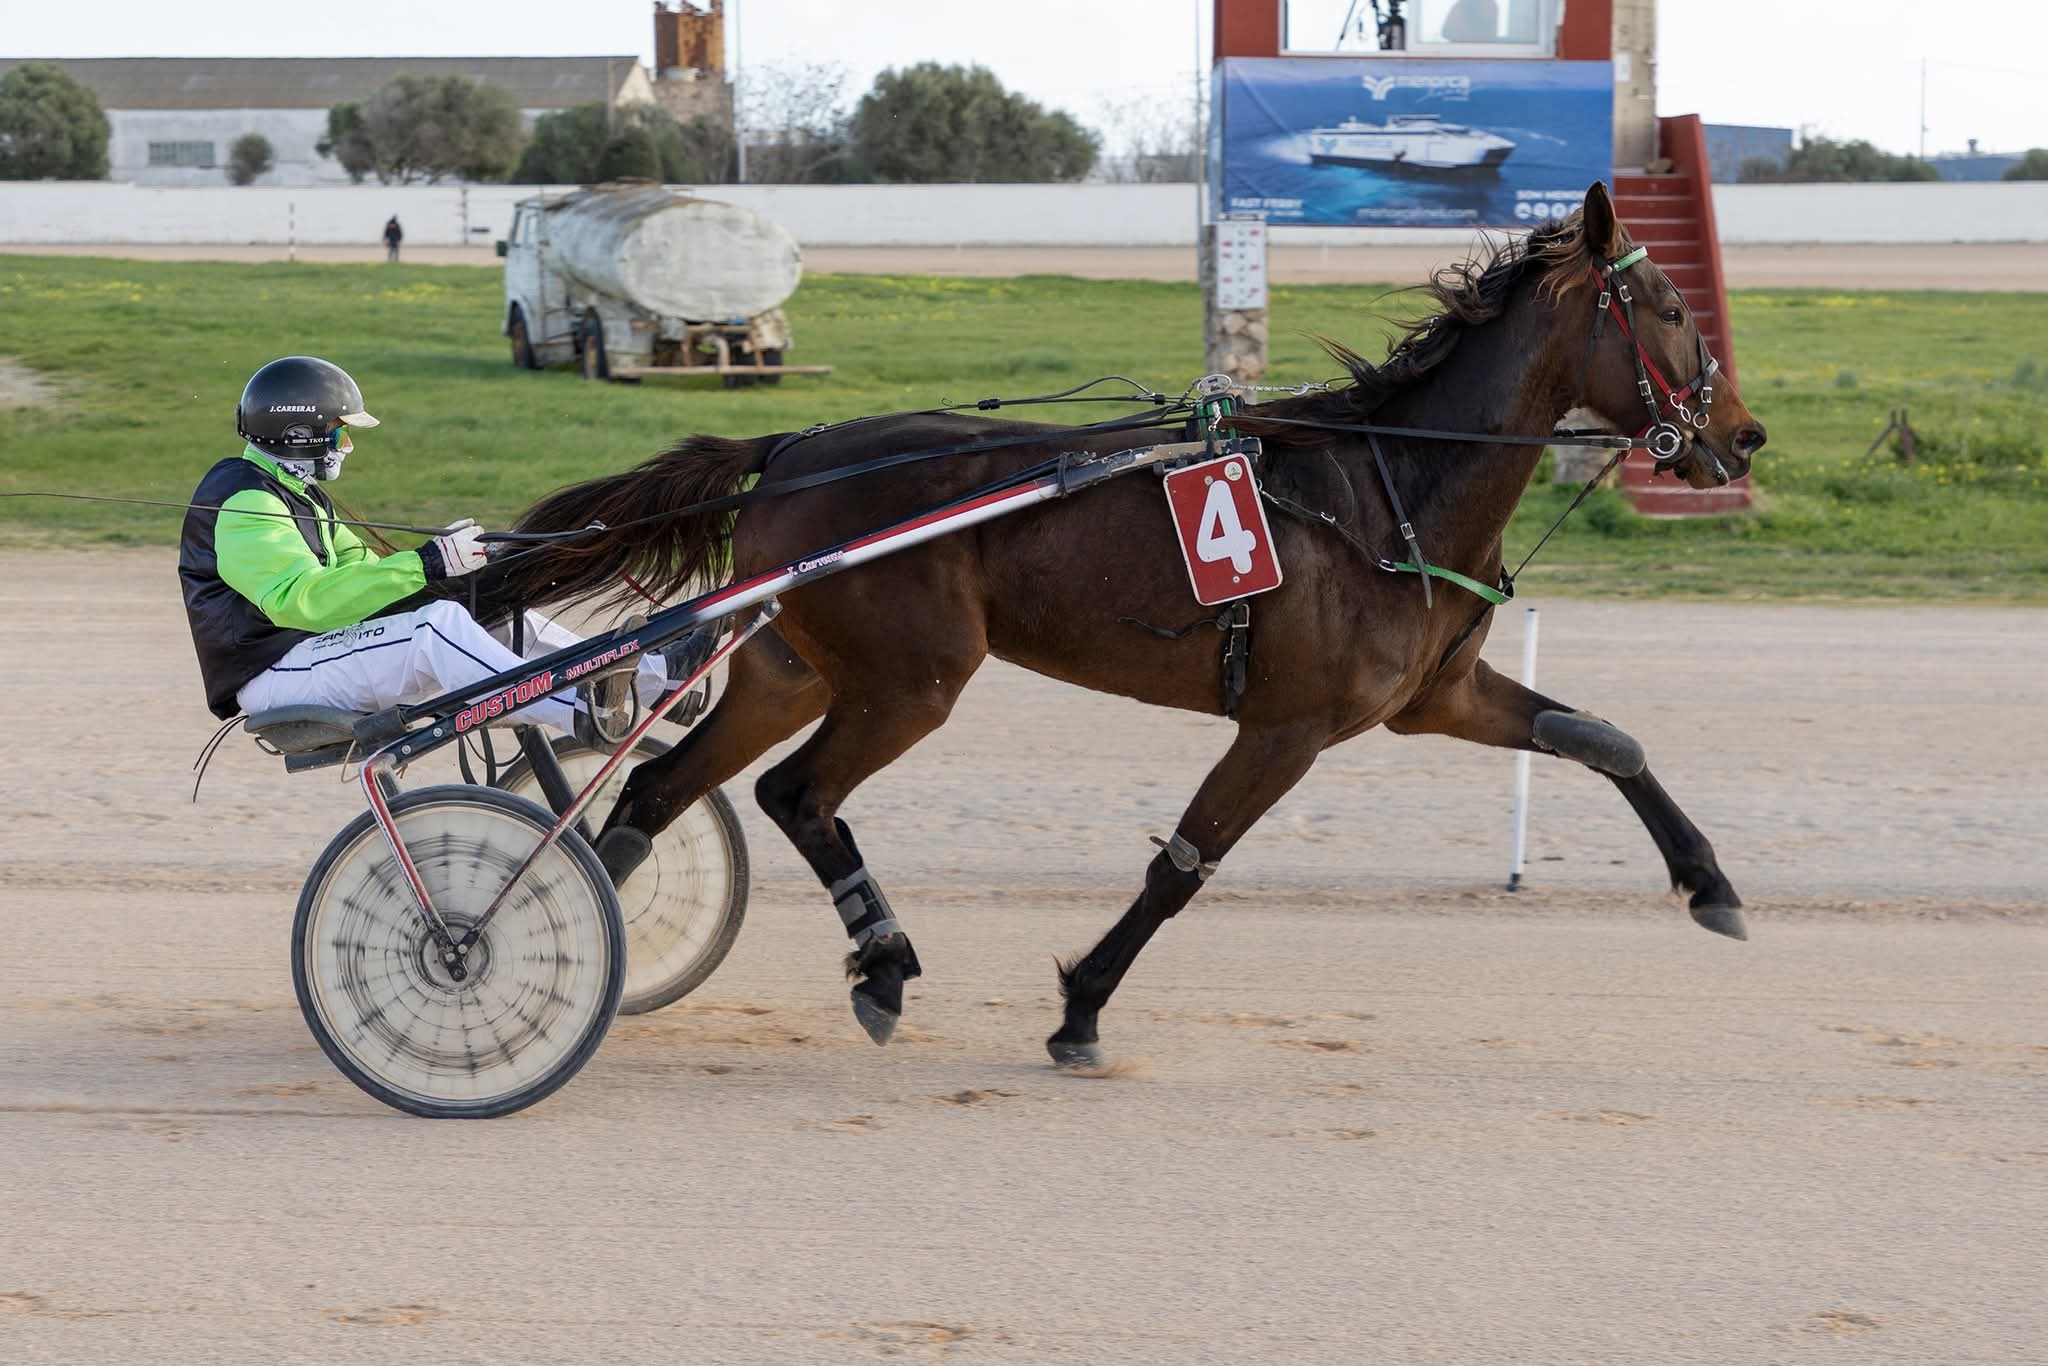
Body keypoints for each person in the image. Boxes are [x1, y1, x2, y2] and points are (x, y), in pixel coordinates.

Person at [178, 355, 678, 741]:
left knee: (490, 611)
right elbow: (303, 601)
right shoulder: (245, 500)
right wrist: (426, 564)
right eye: (340, 432)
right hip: (275, 674)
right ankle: (578, 713)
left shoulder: (300, 495)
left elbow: (364, 578)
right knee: (436, 630)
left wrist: (457, 569)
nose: (347, 446)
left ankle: (657, 680)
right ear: (300, 435)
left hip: (307, 657)